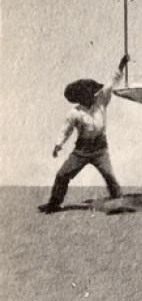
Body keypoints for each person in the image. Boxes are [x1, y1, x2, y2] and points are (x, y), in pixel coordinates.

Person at [39, 54, 130, 213]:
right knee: (62, 175)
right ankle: (54, 203)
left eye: (90, 92)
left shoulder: (101, 101)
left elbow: (112, 82)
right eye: (85, 94)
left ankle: (118, 204)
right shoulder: (74, 113)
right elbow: (66, 129)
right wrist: (58, 145)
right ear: (79, 97)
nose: (89, 95)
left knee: (109, 176)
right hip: (81, 151)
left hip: (100, 150)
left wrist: (122, 64)